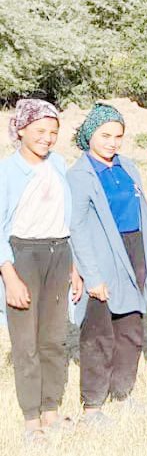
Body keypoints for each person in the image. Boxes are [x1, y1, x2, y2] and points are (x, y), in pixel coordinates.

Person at [68, 103, 147, 427]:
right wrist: (91, 275)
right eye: (105, 135)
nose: (112, 142)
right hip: (102, 256)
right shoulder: (79, 175)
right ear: (89, 134)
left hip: (133, 251)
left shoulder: (128, 167)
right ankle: (92, 405)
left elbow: (141, 216)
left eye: (118, 136)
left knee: (131, 329)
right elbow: (76, 227)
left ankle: (123, 392)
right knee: (98, 333)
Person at [1, 99, 83, 445]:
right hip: (23, 256)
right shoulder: (7, 172)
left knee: (53, 338)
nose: (47, 138)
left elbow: (69, 221)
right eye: (39, 131)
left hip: (59, 253)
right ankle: (31, 418)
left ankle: (51, 410)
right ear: (21, 130)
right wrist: (10, 275)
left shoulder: (60, 164)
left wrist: (75, 267)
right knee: (27, 342)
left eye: (53, 132)